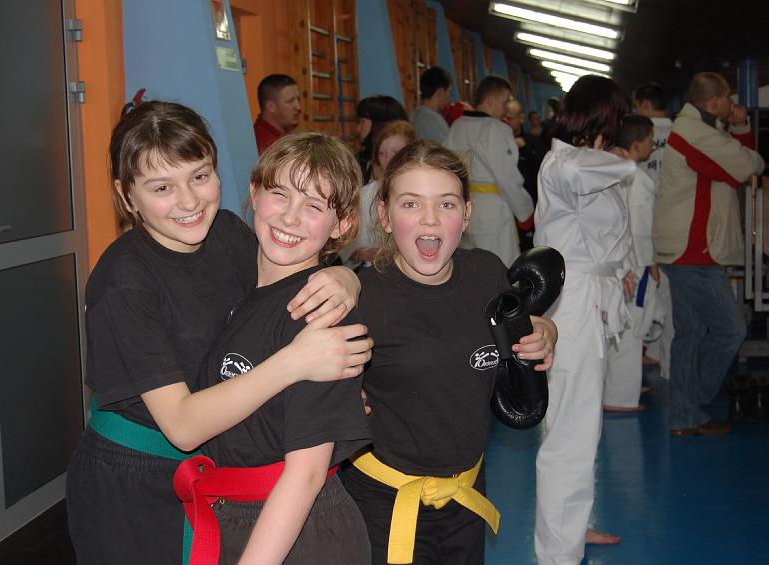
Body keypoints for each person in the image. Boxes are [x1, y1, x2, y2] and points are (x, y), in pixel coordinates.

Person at [65, 101, 371, 565]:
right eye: (162, 187)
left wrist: (345, 277)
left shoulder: (227, 233)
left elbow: (281, 286)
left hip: (217, 476)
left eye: (199, 176)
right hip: (134, 483)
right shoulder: (124, 281)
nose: (189, 202)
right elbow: (183, 425)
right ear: (127, 196)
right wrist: (294, 364)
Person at [342, 140, 558, 565]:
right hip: (384, 506)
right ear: (384, 215)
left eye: (446, 204)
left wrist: (545, 331)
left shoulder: (487, 274)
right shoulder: (363, 297)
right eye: (410, 204)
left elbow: (515, 338)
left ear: (467, 213)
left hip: (465, 495)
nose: (430, 219)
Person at [181, 132, 373, 564]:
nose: (289, 216)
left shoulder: (320, 312)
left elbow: (305, 475)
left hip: (296, 534)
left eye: (314, 206)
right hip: (235, 514)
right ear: (254, 193)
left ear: (341, 225)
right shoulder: (244, 284)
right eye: (279, 194)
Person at [532, 76, 637, 565]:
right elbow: (601, 170)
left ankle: (575, 525)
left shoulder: (586, 161)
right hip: (569, 304)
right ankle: (558, 550)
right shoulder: (564, 163)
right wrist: (623, 157)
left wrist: (622, 268)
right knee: (569, 429)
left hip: (589, 295)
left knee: (582, 424)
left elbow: (607, 229)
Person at [652, 72, 765, 437]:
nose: (733, 104)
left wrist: (741, 127)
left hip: (689, 248)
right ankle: (692, 398)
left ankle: (685, 415)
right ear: (716, 102)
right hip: (694, 250)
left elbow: (734, 161)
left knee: (690, 335)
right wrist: (744, 144)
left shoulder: (703, 130)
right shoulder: (695, 135)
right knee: (732, 329)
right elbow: (746, 167)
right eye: (729, 98)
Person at [445, 76, 534, 266]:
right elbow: (508, 177)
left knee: (467, 267)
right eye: (505, 102)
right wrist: (526, 213)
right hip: (493, 212)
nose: (506, 108)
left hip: (462, 209)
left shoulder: (456, 126)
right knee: (498, 267)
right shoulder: (496, 128)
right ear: (490, 100)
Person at [603, 114, 658, 412]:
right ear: (636, 145)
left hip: (619, 261)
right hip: (634, 264)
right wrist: (650, 263)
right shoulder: (638, 179)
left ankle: (624, 385)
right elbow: (640, 230)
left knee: (619, 324)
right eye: (650, 140)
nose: (653, 145)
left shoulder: (613, 171)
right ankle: (620, 397)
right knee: (631, 327)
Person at [633, 81, 674, 375]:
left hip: (644, 220)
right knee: (669, 295)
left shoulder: (636, 133)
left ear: (645, 105)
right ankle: (662, 356)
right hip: (674, 222)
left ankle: (650, 351)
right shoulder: (680, 134)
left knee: (648, 292)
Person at [343, 120, 419, 266]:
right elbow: (347, 247)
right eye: (382, 153)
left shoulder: (425, 193)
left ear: (413, 154)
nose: (388, 159)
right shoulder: (364, 195)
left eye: (395, 152)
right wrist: (370, 253)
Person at [356, 95, 409, 182]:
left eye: (362, 122)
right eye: (381, 153)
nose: (358, 129)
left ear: (377, 124)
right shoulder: (362, 160)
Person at [254, 74, 302, 153]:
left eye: (298, 99)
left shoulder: (284, 137)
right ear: (271, 107)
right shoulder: (266, 146)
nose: (298, 107)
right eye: (290, 101)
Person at [410, 66, 452, 144]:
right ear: (440, 92)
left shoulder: (413, 115)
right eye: (449, 92)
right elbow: (446, 150)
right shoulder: (434, 121)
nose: (449, 97)